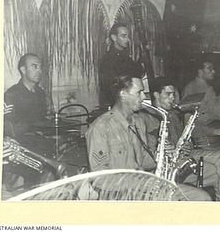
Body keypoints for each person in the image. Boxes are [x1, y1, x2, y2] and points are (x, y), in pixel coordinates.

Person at [86, 72, 211, 201]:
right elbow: (99, 178)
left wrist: (161, 155)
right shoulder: (100, 128)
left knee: (201, 197)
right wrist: (142, 182)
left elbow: (142, 160)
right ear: (123, 94)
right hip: (118, 193)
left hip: (143, 186)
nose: (143, 97)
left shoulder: (138, 122)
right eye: (139, 92)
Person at [141, 77, 220, 201]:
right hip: (168, 163)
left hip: (185, 154)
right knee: (219, 174)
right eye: (168, 94)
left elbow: (183, 138)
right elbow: (147, 149)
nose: (173, 98)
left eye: (173, 94)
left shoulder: (173, 114)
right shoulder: (146, 117)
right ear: (156, 95)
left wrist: (188, 144)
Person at [3, 53, 56, 189]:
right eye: (34, 66)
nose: (39, 71)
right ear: (23, 69)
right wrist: (38, 125)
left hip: (40, 143)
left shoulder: (40, 93)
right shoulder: (11, 94)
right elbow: (11, 129)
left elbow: (44, 119)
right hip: (22, 148)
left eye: (40, 67)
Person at [99, 23, 145, 107]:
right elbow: (111, 87)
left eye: (128, 36)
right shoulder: (109, 59)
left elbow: (138, 73)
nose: (127, 40)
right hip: (118, 103)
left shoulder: (125, 56)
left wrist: (142, 56)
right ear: (114, 38)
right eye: (123, 36)